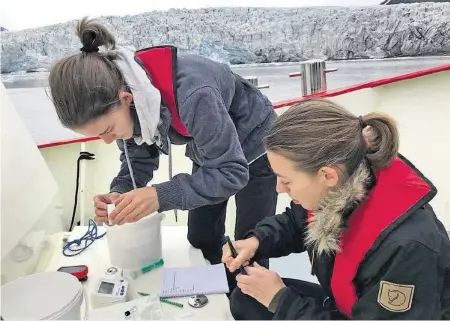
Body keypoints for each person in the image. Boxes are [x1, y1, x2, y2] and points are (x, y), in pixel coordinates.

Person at [48, 17, 278, 279]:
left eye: (108, 131)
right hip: (210, 145)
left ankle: (246, 297)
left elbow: (232, 172)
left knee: (249, 248)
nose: (109, 141)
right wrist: (118, 193)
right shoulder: (124, 92)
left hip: (256, 142)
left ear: (126, 99)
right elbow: (138, 155)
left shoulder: (194, 94)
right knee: (200, 237)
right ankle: (219, 284)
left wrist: (159, 196)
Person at [222, 98, 450, 319]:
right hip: (354, 306)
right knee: (246, 298)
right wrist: (256, 242)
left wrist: (280, 299)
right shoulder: (344, 176)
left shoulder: (405, 247)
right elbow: (296, 222)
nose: (279, 188)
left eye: (286, 180)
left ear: (327, 175)